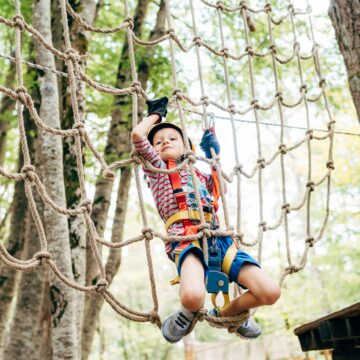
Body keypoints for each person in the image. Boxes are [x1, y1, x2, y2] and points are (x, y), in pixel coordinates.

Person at [131, 97, 281, 343]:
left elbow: (222, 188)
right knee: (192, 297)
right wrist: (157, 115)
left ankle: (227, 313)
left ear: (187, 147)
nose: (164, 142)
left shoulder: (200, 173)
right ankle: (189, 312)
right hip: (186, 239)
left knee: (270, 292)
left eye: (172, 139)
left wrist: (214, 156)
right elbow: (138, 135)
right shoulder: (158, 172)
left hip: (219, 240)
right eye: (158, 142)